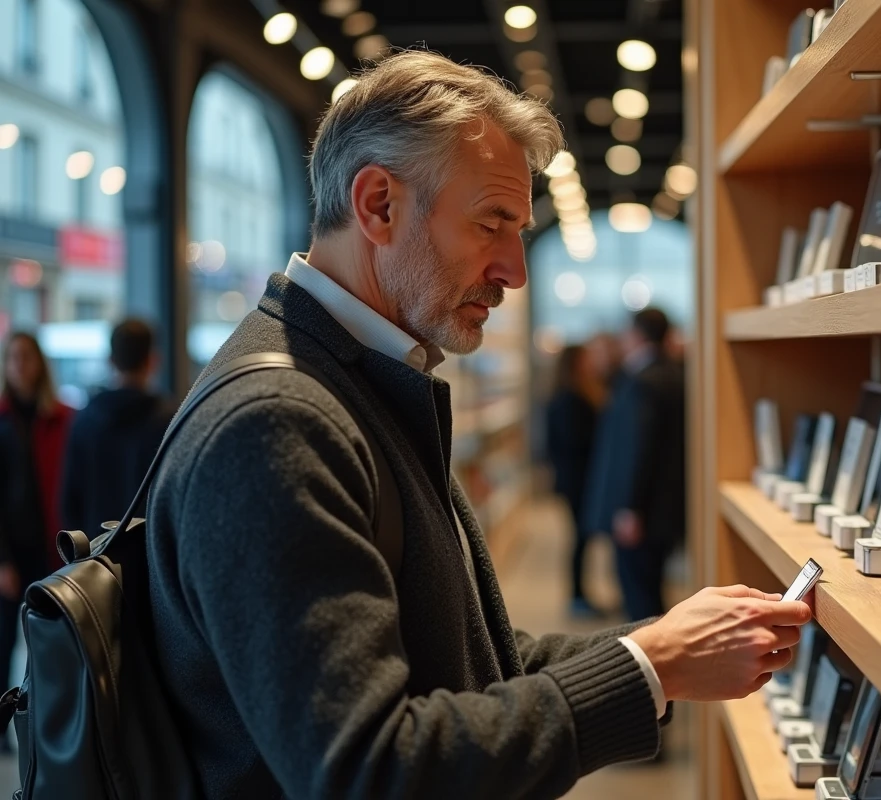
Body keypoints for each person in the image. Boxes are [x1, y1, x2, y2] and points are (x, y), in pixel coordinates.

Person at [146, 50, 810, 799]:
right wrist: (651, 666)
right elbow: (369, 771)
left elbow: (465, 660)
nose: (514, 271)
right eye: (492, 224)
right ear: (379, 206)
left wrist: (663, 648)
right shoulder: (276, 425)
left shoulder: (353, 382)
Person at [584, 308, 687, 622]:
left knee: (639, 596)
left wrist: (629, 508)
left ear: (636, 335)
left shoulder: (643, 381)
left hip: (642, 512)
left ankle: (650, 651)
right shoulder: (673, 373)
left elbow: (636, 449)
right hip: (663, 506)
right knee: (651, 587)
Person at [0, 333, 72, 704]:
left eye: (27, 357)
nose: (20, 365)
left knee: (48, 642)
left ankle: (45, 719)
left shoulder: (62, 418)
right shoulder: (2, 419)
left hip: (51, 548)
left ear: (40, 364)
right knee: (3, 643)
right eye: (13, 358)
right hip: (10, 551)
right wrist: (2, 562)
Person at [60, 319, 174, 535]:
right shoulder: (168, 422)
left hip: (96, 549)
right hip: (148, 550)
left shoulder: (84, 422)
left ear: (110, 361)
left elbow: (69, 504)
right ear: (153, 360)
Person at [545, 344, 602, 617]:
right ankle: (577, 596)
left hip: (577, 478)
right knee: (579, 538)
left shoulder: (575, 393)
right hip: (577, 480)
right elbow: (574, 442)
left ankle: (581, 594)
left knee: (582, 537)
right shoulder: (569, 399)